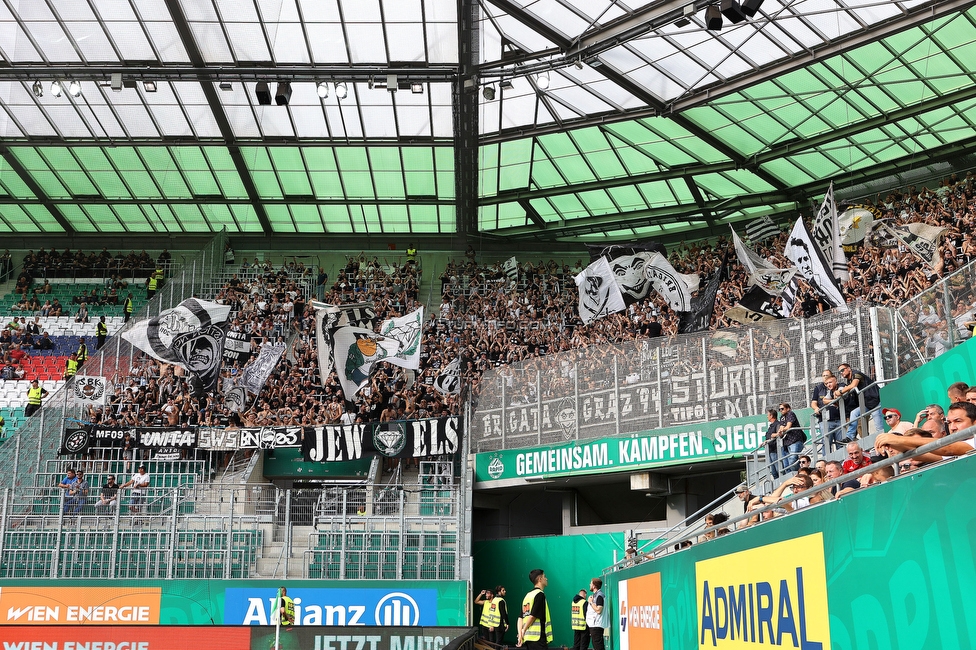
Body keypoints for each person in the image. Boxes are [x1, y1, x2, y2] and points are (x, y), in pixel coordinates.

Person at [835, 363, 883, 440]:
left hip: (875, 401)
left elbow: (853, 385)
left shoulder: (856, 373)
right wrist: (837, 393)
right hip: (867, 404)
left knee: (879, 427)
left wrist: (840, 392)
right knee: (854, 413)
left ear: (849, 368)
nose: (841, 373)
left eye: (842, 370)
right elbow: (849, 388)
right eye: (839, 372)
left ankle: (884, 442)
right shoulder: (849, 380)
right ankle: (849, 437)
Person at [518, 569, 551, 649]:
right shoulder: (540, 595)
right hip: (538, 638)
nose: (546, 579)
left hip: (527, 638)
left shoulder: (527, 596)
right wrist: (523, 630)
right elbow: (533, 616)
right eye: (544, 576)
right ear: (540, 579)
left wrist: (520, 633)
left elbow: (520, 618)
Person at [776, 403, 805, 475]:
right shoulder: (782, 417)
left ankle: (800, 474)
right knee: (786, 465)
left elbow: (788, 427)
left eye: (782, 409)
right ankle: (793, 479)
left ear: (788, 408)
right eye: (779, 409)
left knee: (792, 460)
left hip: (795, 440)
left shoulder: (790, 413)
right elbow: (782, 428)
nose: (781, 410)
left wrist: (782, 430)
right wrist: (780, 431)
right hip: (786, 443)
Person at [585, 578, 608, 650]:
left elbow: (599, 610)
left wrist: (591, 602)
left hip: (597, 625)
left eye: (591, 583)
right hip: (594, 625)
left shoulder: (599, 596)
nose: (590, 585)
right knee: (596, 645)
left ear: (594, 586)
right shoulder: (596, 595)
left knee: (598, 646)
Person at [762, 408, 782, 479]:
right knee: (773, 471)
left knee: (777, 469)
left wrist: (772, 436)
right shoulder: (771, 426)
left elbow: (779, 434)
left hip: (775, 450)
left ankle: (781, 482)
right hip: (770, 450)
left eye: (768, 415)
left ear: (771, 416)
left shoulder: (778, 424)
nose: (767, 417)